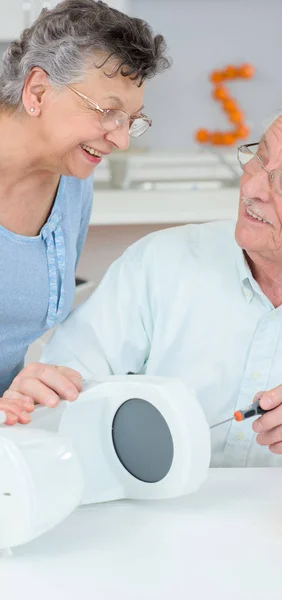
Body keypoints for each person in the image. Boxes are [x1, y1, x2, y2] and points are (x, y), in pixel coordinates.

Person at [4, 102, 282, 471]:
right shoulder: (158, 263)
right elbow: (56, 400)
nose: (253, 189)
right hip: (150, 517)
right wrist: (39, 395)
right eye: (259, 160)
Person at [0, 0, 169, 422]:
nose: (122, 139)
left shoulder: (73, 181)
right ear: (37, 91)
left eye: (132, 120)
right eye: (108, 113)